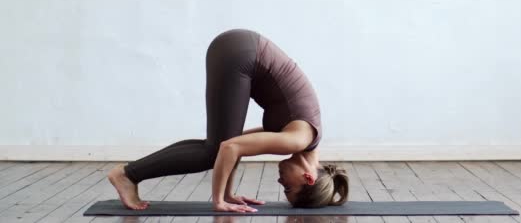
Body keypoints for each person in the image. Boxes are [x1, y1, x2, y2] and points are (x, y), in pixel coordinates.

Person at [107, 28, 349, 213]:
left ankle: (129, 173)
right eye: (287, 187)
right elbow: (229, 148)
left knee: (214, 147)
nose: (279, 181)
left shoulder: (302, 137)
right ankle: (127, 175)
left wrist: (229, 192)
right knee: (214, 151)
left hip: (238, 47)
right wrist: (219, 200)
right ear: (309, 177)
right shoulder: (297, 141)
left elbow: (234, 143)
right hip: (241, 54)